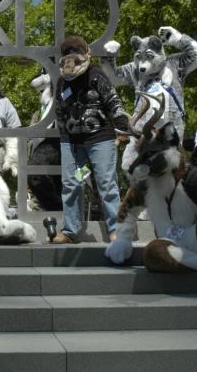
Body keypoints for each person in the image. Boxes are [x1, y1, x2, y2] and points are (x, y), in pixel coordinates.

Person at [53, 36, 129, 243]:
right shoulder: (61, 82)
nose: (71, 60)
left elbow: (114, 101)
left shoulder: (96, 75)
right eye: (67, 55)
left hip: (100, 140)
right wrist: (64, 136)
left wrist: (122, 129)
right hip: (73, 143)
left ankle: (116, 230)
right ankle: (71, 231)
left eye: (75, 54)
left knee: (106, 183)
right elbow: (60, 111)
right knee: (73, 183)